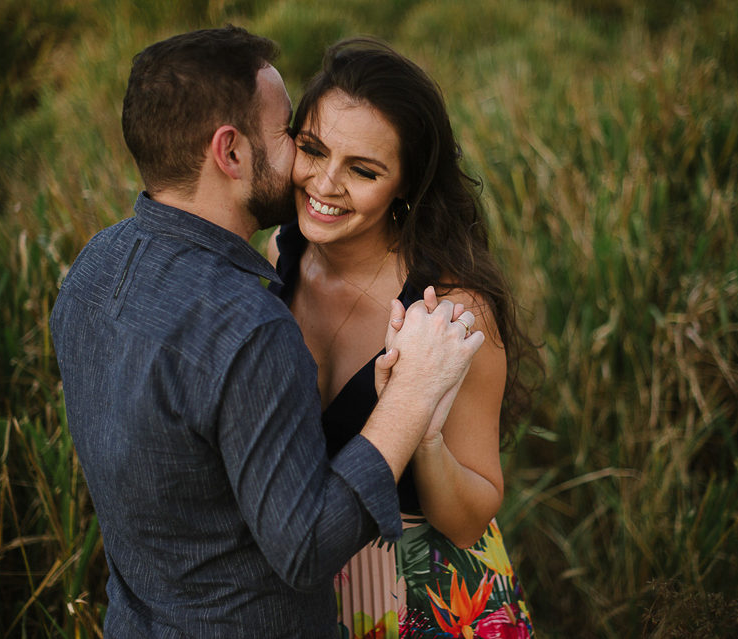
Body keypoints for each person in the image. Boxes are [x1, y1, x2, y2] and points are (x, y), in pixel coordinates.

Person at [48, 26, 485, 638]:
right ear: (230, 152)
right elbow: (306, 549)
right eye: (293, 137)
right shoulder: (250, 328)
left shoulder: (92, 269)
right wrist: (410, 399)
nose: (315, 176)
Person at [267, 37, 537, 637]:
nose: (324, 184)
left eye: (363, 170)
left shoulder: (453, 313)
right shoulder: (280, 255)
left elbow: (469, 520)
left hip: (432, 599)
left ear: (406, 186)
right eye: (312, 149)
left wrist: (424, 433)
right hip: (310, 584)